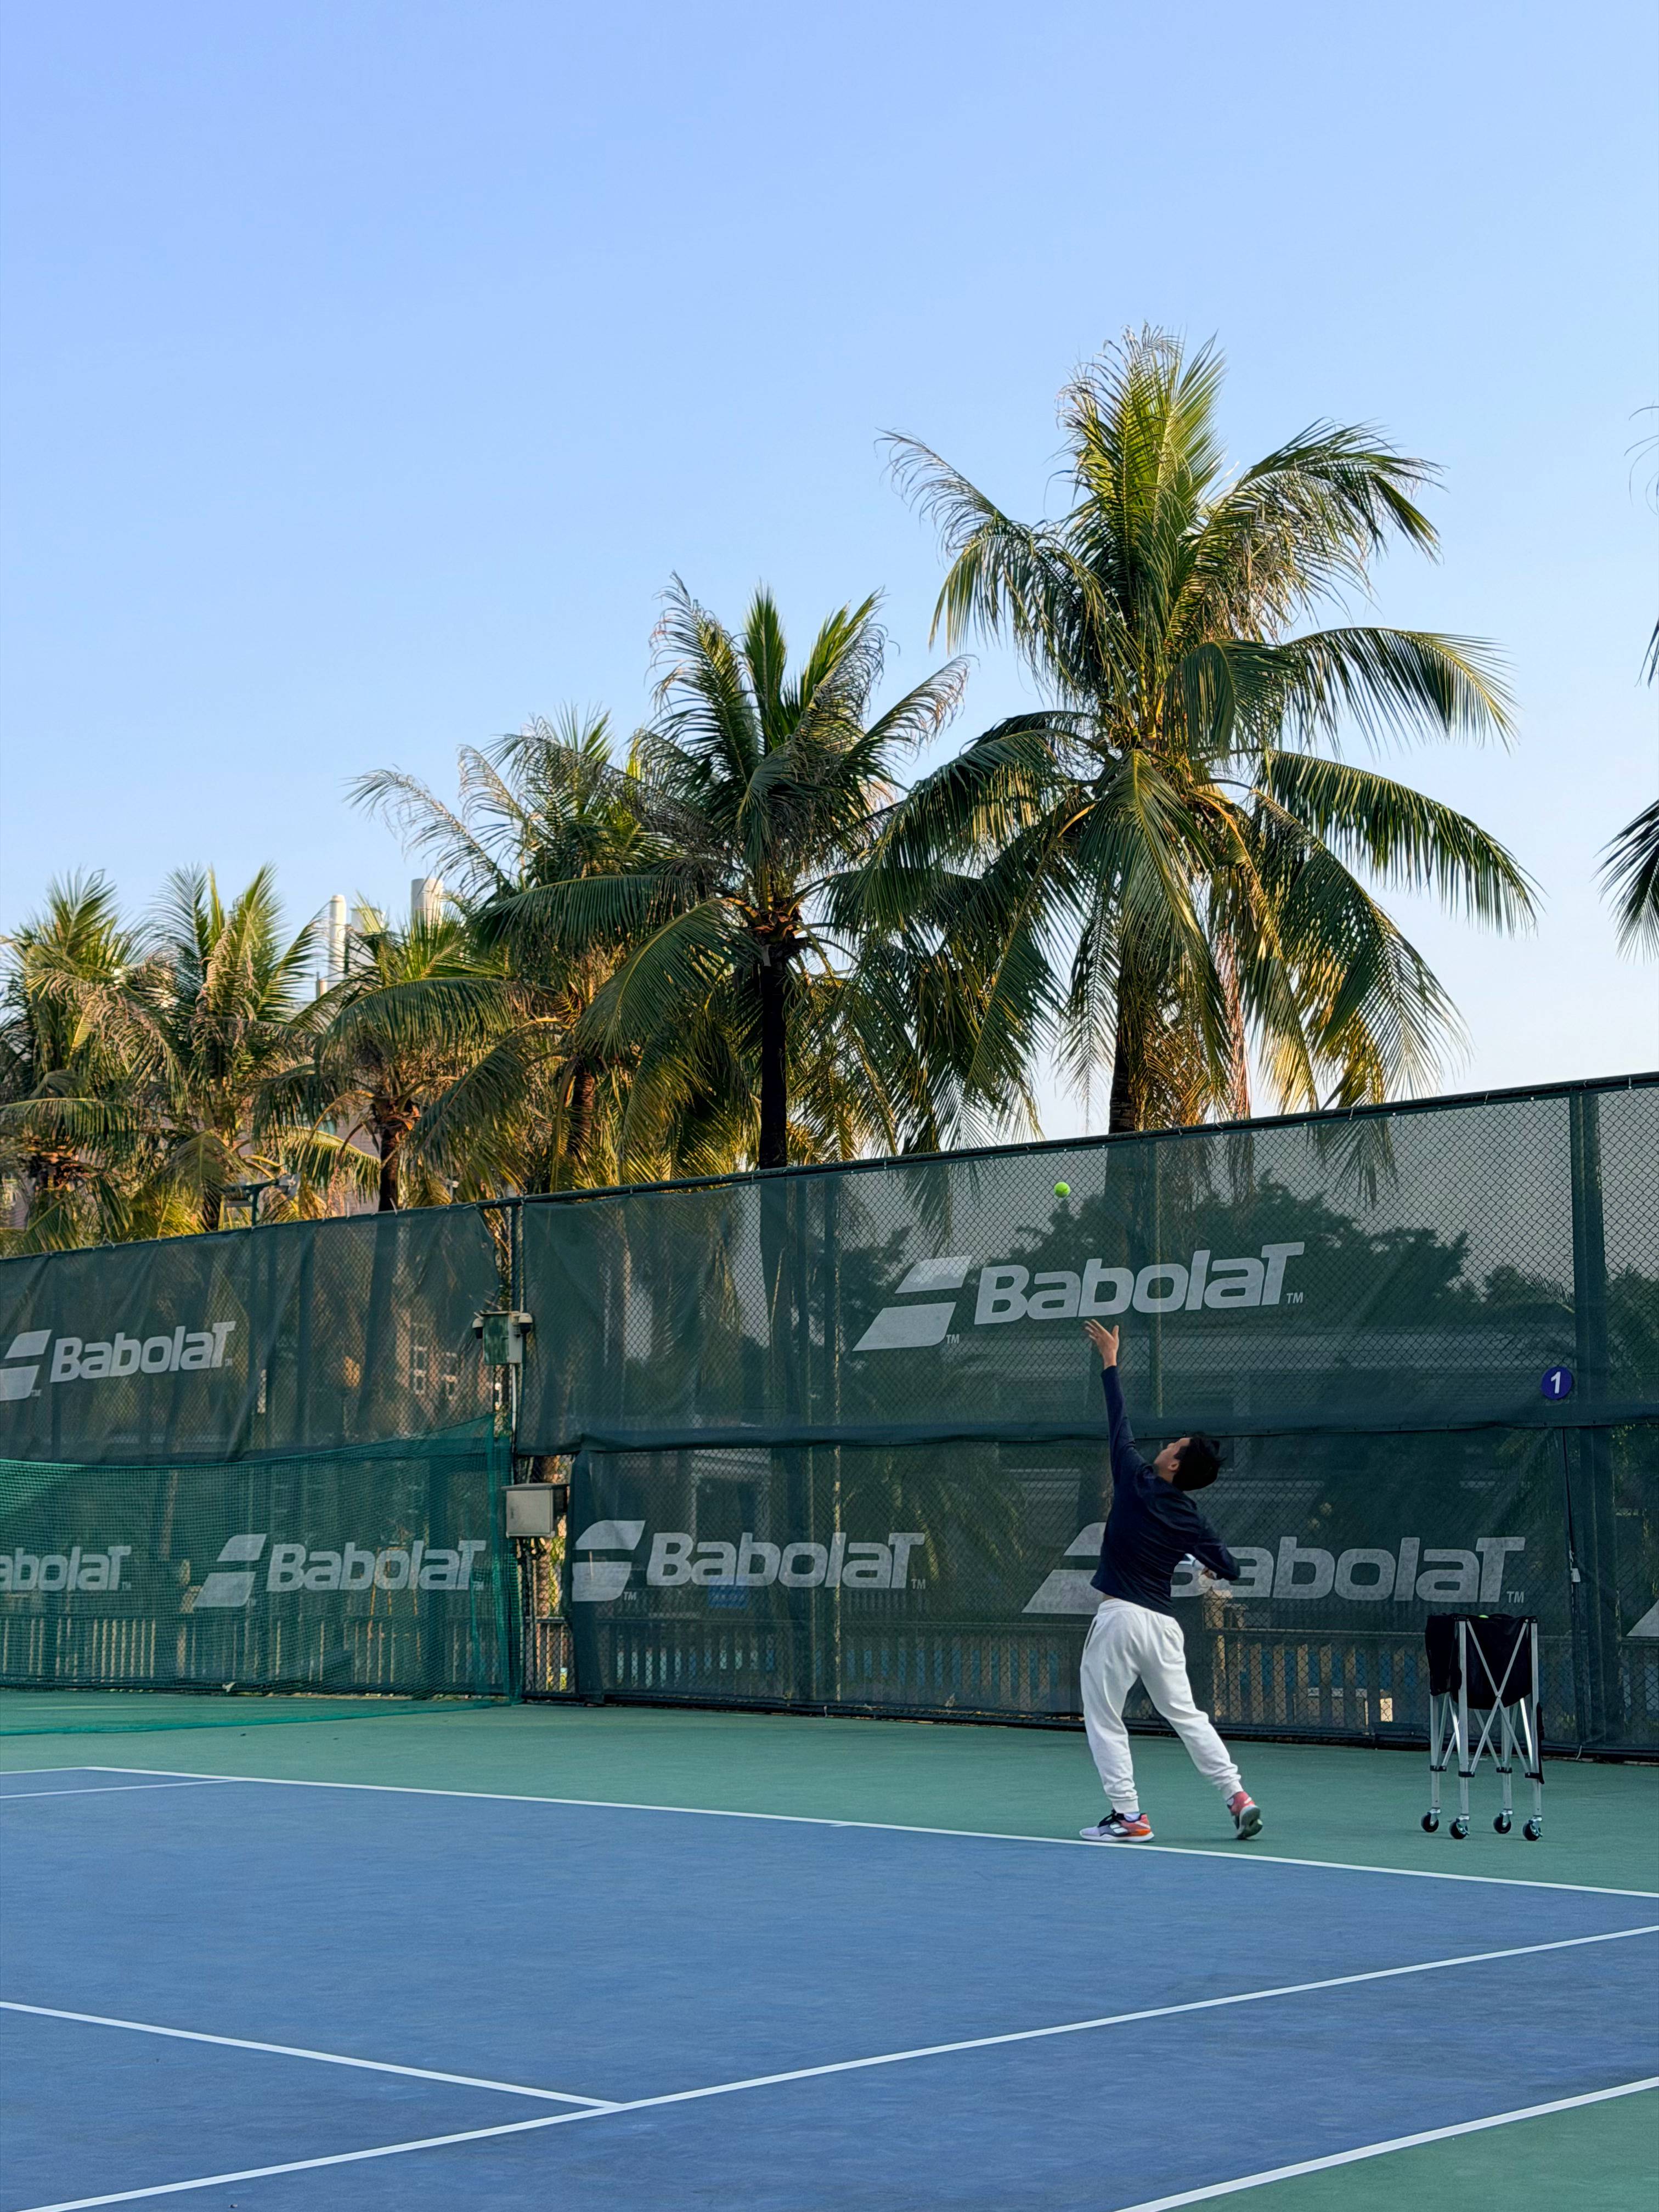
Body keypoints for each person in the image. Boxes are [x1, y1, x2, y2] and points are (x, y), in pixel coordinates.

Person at [1076, 1319, 1262, 1843]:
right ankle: (1237, 1796)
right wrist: (1206, 1562)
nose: (1165, 1444)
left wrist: (1110, 1362)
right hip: (1162, 1629)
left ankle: (1130, 1817)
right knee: (1186, 1714)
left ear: (1175, 1463)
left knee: (1104, 1717)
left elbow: (1119, 1423)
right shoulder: (1193, 1519)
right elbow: (1231, 1567)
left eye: (1174, 1443)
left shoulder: (1135, 1481)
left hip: (1119, 1621)